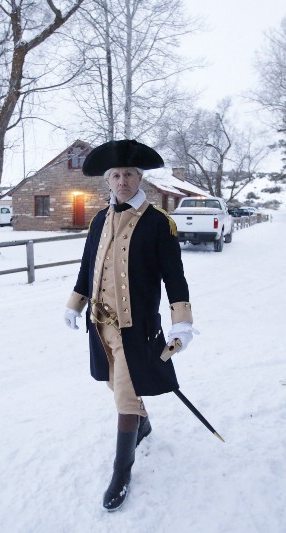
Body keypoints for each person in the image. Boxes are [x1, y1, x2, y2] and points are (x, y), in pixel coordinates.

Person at [63, 139, 197, 511]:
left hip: (137, 330)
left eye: (129, 175)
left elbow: (175, 278)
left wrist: (181, 323)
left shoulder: (159, 223)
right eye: (116, 175)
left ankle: (121, 471)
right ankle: (144, 424)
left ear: (140, 178)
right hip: (100, 326)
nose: (122, 181)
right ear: (108, 180)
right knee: (114, 383)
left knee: (124, 394)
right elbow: (87, 267)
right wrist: (75, 303)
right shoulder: (99, 220)